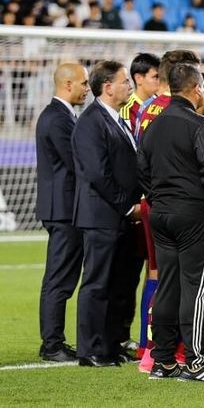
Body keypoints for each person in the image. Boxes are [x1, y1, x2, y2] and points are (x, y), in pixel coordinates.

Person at [137, 63, 204, 382]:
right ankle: (196, 362)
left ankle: (163, 360)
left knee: (167, 287)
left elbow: (141, 170)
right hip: (195, 215)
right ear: (196, 90)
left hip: (161, 215)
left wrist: (160, 199)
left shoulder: (154, 124)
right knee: (196, 290)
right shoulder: (201, 124)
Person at [134, 50, 202, 371]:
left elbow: (140, 159)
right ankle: (176, 349)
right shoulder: (183, 114)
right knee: (179, 279)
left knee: (155, 272)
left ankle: (148, 349)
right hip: (181, 204)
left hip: (153, 201)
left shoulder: (144, 110)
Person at [71, 61, 139, 367]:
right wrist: (127, 204)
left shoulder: (115, 118)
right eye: (125, 81)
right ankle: (90, 350)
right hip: (101, 216)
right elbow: (98, 174)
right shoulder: (91, 122)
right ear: (108, 87)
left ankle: (110, 345)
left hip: (117, 216)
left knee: (115, 284)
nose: (130, 86)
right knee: (97, 283)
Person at [36, 63, 90, 362]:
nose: (87, 88)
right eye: (83, 83)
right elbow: (75, 162)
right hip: (63, 209)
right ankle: (52, 344)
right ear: (67, 84)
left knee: (62, 278)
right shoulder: (57, 118)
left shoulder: (60, 115)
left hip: (62, 207)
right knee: (59, 279)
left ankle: (55, 341)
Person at [119, 53, 160, 136]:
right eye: (156, 77)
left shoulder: (162, 104)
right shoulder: (127, 110)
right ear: (138, 78)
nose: (160, 81)